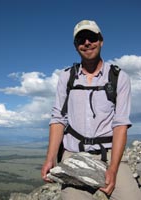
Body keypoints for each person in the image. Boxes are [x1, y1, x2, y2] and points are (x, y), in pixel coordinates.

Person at [41, 20, 141, 199]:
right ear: (75, 46)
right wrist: (50, 158)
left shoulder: (118, 77)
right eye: (81, 39)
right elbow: (58, 119)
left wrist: (113, 169)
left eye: (92, 37)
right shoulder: (67, 77)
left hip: (109, 153)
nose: (87, 43)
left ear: (101, 40)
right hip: (74, 154)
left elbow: (120, 125)